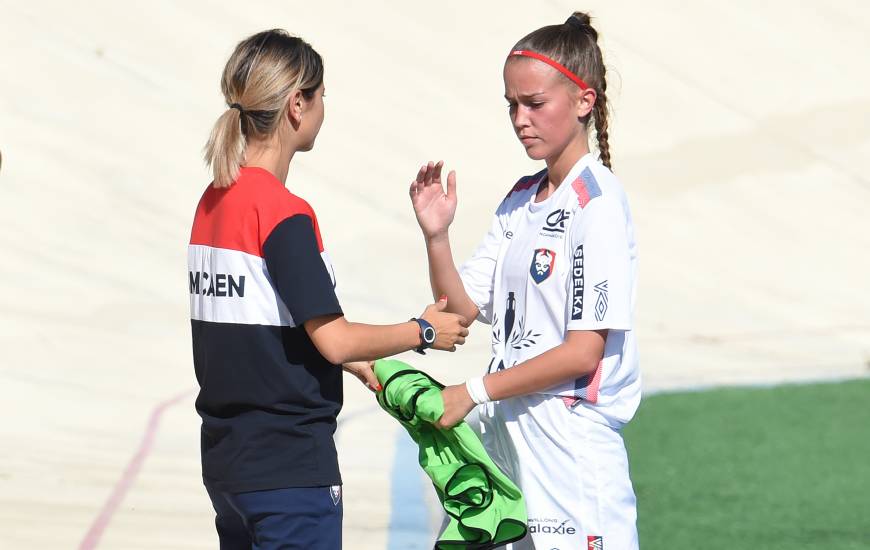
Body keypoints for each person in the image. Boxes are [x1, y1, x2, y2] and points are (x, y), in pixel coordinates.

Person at [188, 29, 469, 550]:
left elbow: (263, 322)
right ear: (298, 104)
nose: (324, 107)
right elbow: (333, 338)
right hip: (290, 470)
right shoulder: (282, 213)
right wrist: (424, 330)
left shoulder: (213, 201)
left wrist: (361, 365)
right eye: (321, 95)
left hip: (228, 467)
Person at [408, 12, 640, 550]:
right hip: (504, 433)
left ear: (584, 102)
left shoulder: (597, 204)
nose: (520, 118)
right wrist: (437, 236)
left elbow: (584, 353)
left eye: (535, 103)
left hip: (568, 444)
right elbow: (460, 309)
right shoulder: (520, 198)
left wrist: (471, 390)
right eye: (512, 104)